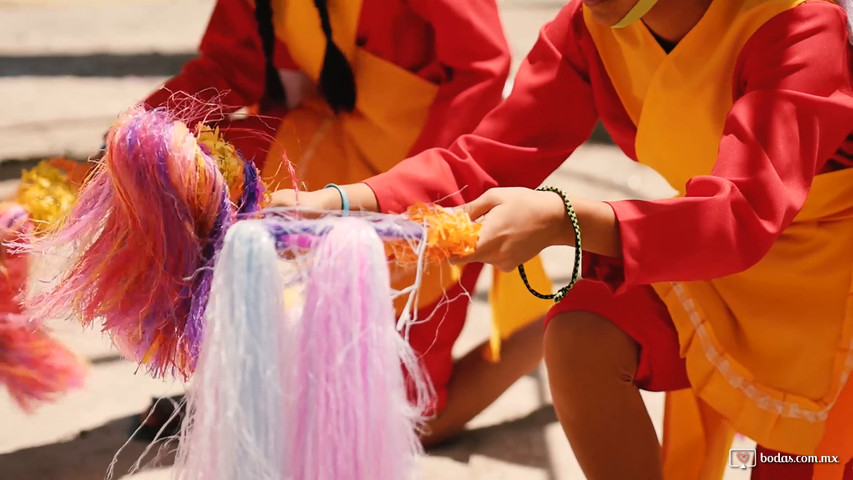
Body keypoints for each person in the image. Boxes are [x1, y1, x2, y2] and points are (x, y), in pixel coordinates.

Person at [271, 0, 853, 478]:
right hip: (702, 248)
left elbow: (742, 214)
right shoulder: (589, 28)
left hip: (831, 289)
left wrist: (561, 220)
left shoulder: (799, 25)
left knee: (799, 466)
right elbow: (486, 160)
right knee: (583, 335)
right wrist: (345, 204)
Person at [133, 0, 553, 446]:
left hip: (436, 161)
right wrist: (142, 135)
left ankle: (553, 321)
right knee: (179, 173)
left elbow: (481, 65)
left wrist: (426, 193)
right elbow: (230, 63)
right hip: (323, 131)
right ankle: (237, 378)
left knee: (401, 420)